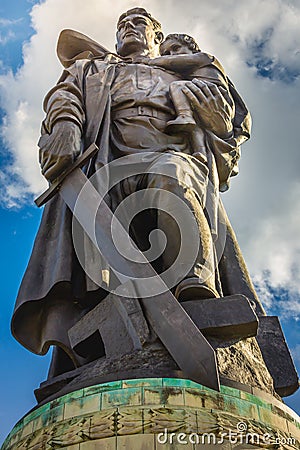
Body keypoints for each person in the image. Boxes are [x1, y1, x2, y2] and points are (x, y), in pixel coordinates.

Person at [12, 8, 257, 377]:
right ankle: (105, 328)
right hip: (103, 164)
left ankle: (195, 290)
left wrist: (214, 113)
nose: (129, 28)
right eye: (122, 25)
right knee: (97, 234)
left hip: (169, 155)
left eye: (138, 23)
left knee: (172, 178)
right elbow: (64, 96)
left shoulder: (180, 72)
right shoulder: (92, 69)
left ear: (157, 36)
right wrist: (64, 125)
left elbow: (226, 121)